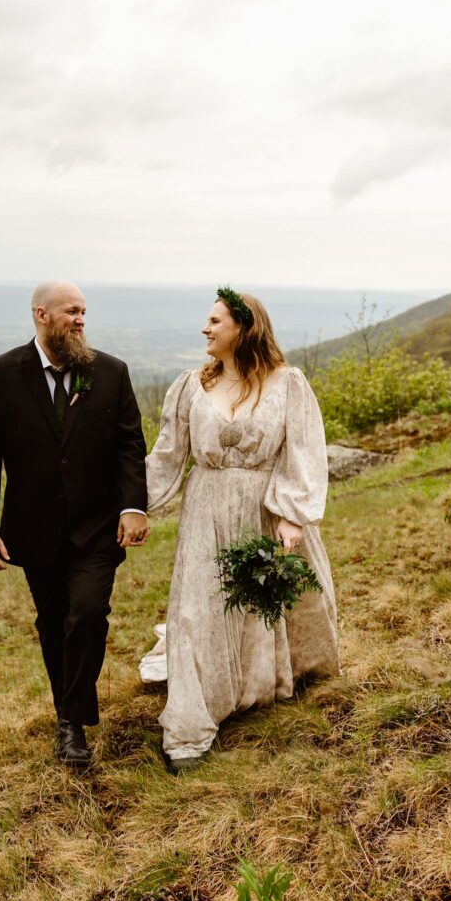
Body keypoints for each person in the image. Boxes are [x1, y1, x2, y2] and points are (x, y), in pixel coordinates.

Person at [145, 286, 340, 774]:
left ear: (244, 328)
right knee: (198, 610)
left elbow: (304, 450)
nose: (205, 329)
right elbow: (167, 457)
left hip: (264, 506)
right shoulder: (191, 385)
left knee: (260, 601)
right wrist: (124, 503)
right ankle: (192, 723)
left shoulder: (288, 383)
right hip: (206, 511)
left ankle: (260, 684)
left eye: (215, 321)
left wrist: (291, 515)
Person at [0, 280, 149, 768]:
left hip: (98, 526)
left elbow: (130, 445)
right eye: (72, 311)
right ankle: (69, 720)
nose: (81, 320)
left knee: (88, 613)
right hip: (34, 528)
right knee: (53, 623)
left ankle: (71, 721)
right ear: (41, 315)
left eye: (84, 311)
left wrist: (134, 505)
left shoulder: (110, 372)